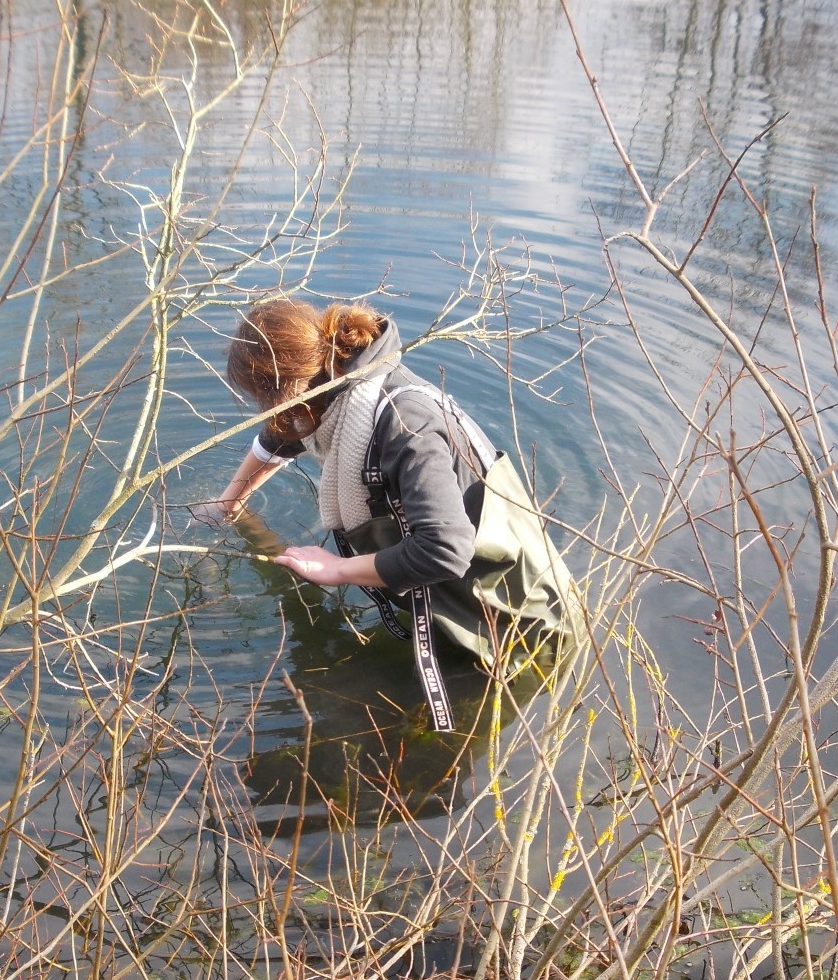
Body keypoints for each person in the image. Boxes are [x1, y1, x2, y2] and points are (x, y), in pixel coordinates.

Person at [216, 297, 578, 731]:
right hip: (460, 607)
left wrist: (340, 569)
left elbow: (444, 551)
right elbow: (281, 435)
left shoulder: (407, 425)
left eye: (267, 399)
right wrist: (228, 503)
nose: (266, 413)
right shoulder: (339, 385)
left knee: (423, 749)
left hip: (519, 631)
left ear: (294, 387)